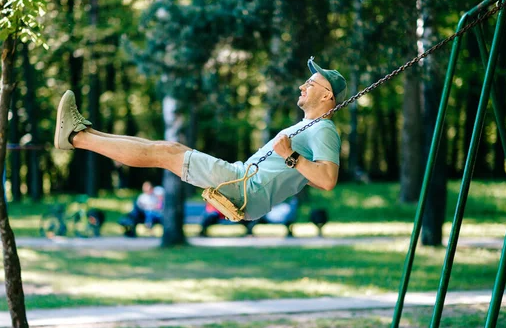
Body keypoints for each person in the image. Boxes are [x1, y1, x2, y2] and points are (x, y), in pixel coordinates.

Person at [55, 58, 345, 221]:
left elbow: (327, 179)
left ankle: (78, 137)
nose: (302, 85)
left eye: (311, 82)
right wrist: (292, 162)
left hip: (245, 187)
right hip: (243, 181)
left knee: (164, 153)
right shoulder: (312, 126)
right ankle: (84, 133)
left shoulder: (324, 129)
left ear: (327, 95)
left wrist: (291, 157)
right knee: (168, 150)